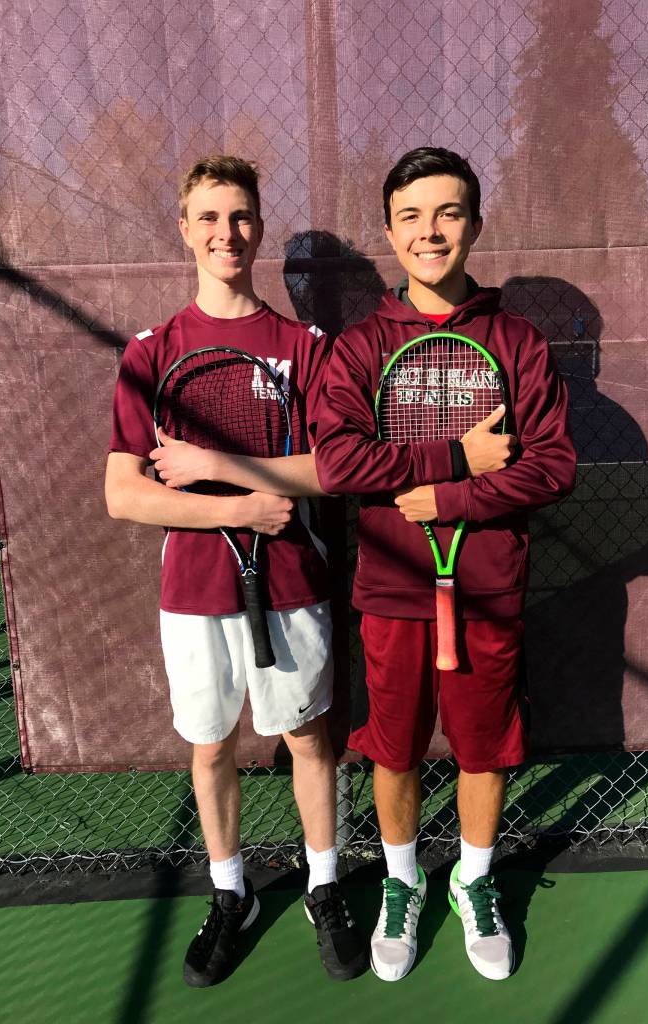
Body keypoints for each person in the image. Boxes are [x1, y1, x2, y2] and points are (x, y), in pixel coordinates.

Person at [313, 147, 577, 982]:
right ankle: (400, 883)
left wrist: (453, 500)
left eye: (449, 213)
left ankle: (471, 880)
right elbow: (339, 462)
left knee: (483, 752)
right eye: (412, 217)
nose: (431, 233)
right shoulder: (358, 350)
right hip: (391, 591)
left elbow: (553, 466)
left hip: (490, 591)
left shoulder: (518, 343)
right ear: (389, 230)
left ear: (475, 223)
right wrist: (456, 460)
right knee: (392, 751)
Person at [104, 155, 368, 987]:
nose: (227, 233)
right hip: (194, 592)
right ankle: (233, 894)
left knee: (304, 738)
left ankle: (325, 887)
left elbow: (333, 470)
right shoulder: (152, 352)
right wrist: (236, 509)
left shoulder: (304, 348)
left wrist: (221, 465)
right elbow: (124, 495)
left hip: (290, 579)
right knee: (211, 747)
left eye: (242, 217)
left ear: (259, 227)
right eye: (210, 218)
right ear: (185, 229)